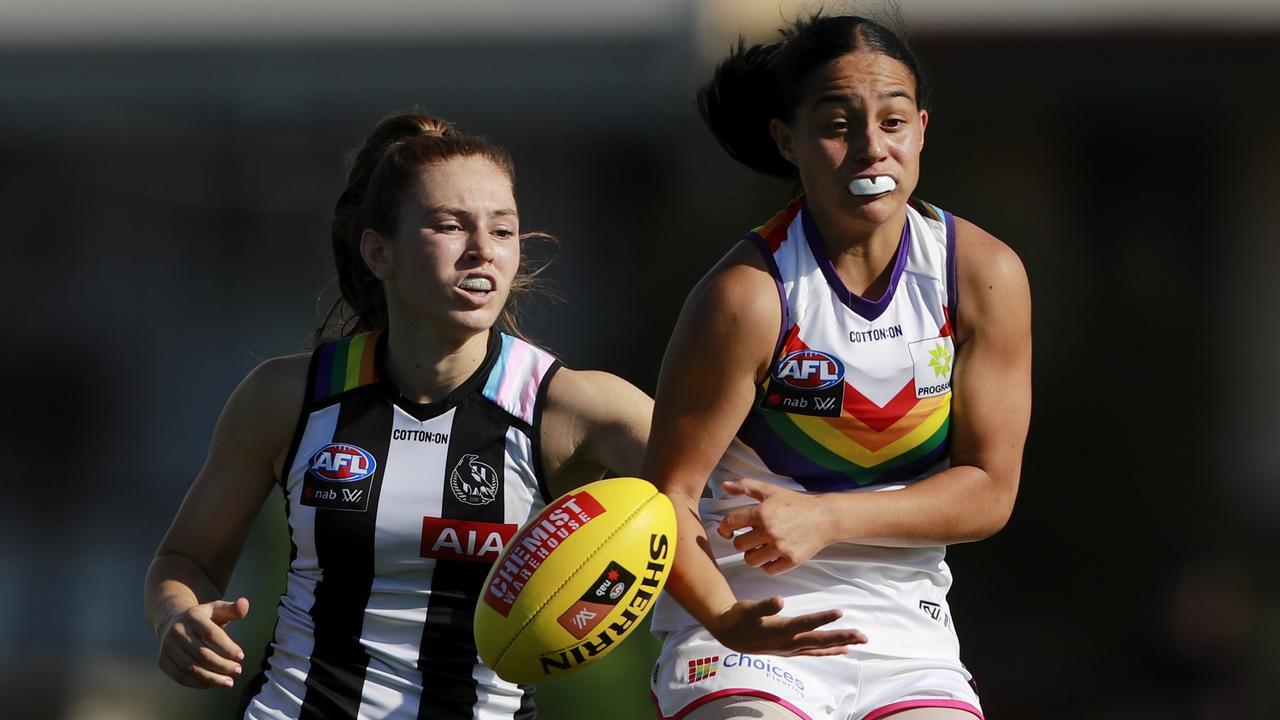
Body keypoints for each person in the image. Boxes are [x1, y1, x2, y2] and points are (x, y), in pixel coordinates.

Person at [143, 111, 653, 719]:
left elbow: (732, 498)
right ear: (378, 252)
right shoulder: (289, 396)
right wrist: (179, 615)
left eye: (504, 230)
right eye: (448, 226)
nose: (481, 251)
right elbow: (186, 561)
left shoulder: (574, 408)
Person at [645, 12, 1031, 720]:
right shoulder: (747, 299)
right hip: (743, 624)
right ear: (786, 140)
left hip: (905, 631)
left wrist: (828, 517)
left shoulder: (983, 276)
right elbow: (666, 496)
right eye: (836, 125)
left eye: (891, 122)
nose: (870, 150)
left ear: (921, 129)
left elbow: (989, 491)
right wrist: (728, 620)